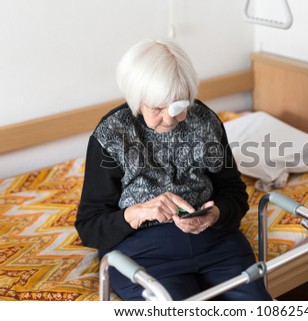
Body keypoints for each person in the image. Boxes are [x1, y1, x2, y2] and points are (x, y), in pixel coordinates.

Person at [75, 39, 272, 301]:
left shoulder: (205, 122)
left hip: (216, 243)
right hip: (144, 253)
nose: (169, 119)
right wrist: (137, 212)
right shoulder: (112, 135)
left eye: (179, 107)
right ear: (137, 99)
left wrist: (215, 214)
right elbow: (89, 226)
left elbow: (234, 192)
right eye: (157, 108)